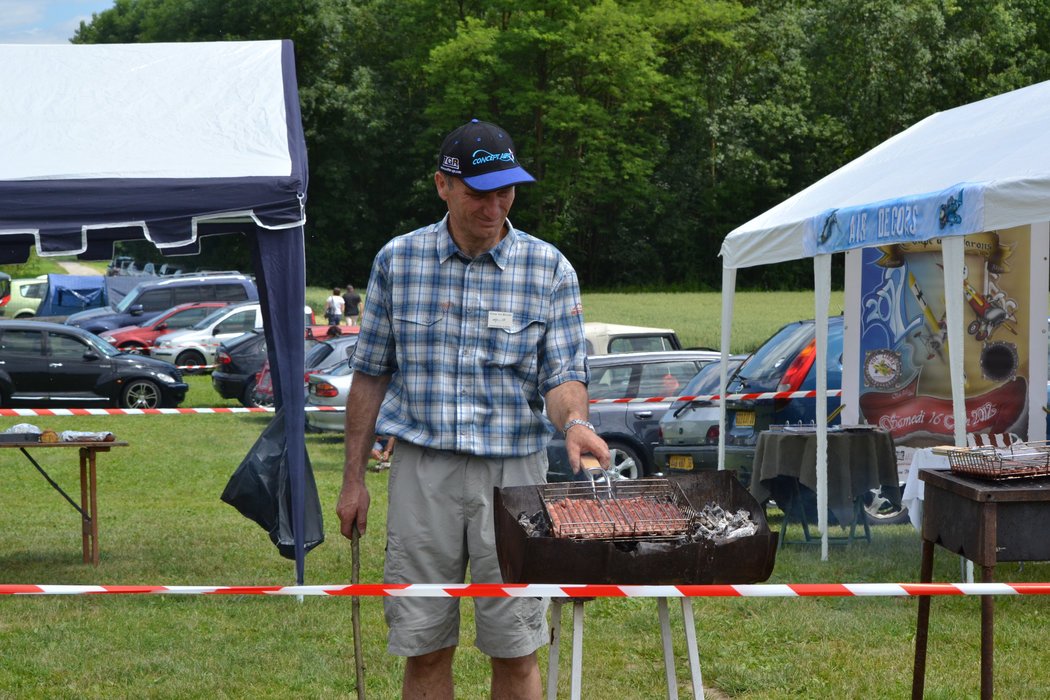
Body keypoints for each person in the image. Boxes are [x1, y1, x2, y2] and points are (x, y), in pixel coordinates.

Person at [337, 118, 610, 699]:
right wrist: (353, 480)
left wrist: (577, 424)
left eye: (505, 191)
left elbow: (563, 376)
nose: (494, 206)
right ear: (443, 185)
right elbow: (369, 377)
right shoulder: (397, 261)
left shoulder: (549, 268)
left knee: (515, 649)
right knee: (424, 648)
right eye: (478, 193)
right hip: (422, 473)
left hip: (515, 481)